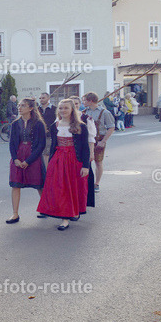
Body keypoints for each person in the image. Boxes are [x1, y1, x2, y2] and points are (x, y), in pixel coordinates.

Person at [37, 99, 93, 230]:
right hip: (58, 159)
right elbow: (53, 146)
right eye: (61, 108)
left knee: (72, 187)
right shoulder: (55, 125)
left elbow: (85, 147)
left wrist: (86, 166)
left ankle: (72, 212)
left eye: (66, 108)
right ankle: (65, 217)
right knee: (60, 188)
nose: (63, 111)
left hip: (74, 160)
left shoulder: (81, 126)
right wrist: (50, 162)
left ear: (72, 109)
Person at [6, 98, 46, 223]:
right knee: (15, 185)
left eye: (23, 105)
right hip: (18, 155)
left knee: (39, 184)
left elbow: (41, 145)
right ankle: (15, 214)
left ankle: (45, 208)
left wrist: (28, 161)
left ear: (30, 108)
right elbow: (12, 143)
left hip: (33, 156)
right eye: (19, 105)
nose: (20, 107)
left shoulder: (38, 123)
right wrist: (15, 159)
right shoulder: (14, 124)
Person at [82, 92, 115, 191]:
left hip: (99, 140)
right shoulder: (84, 112)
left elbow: (111, 127)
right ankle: (85, 182)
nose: (83, 102)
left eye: (84, 100)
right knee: (85, 162)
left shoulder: (104, 112)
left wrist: (103, 141)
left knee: (98, 162)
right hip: (87, 140)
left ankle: (96, 183)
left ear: (90, 101)